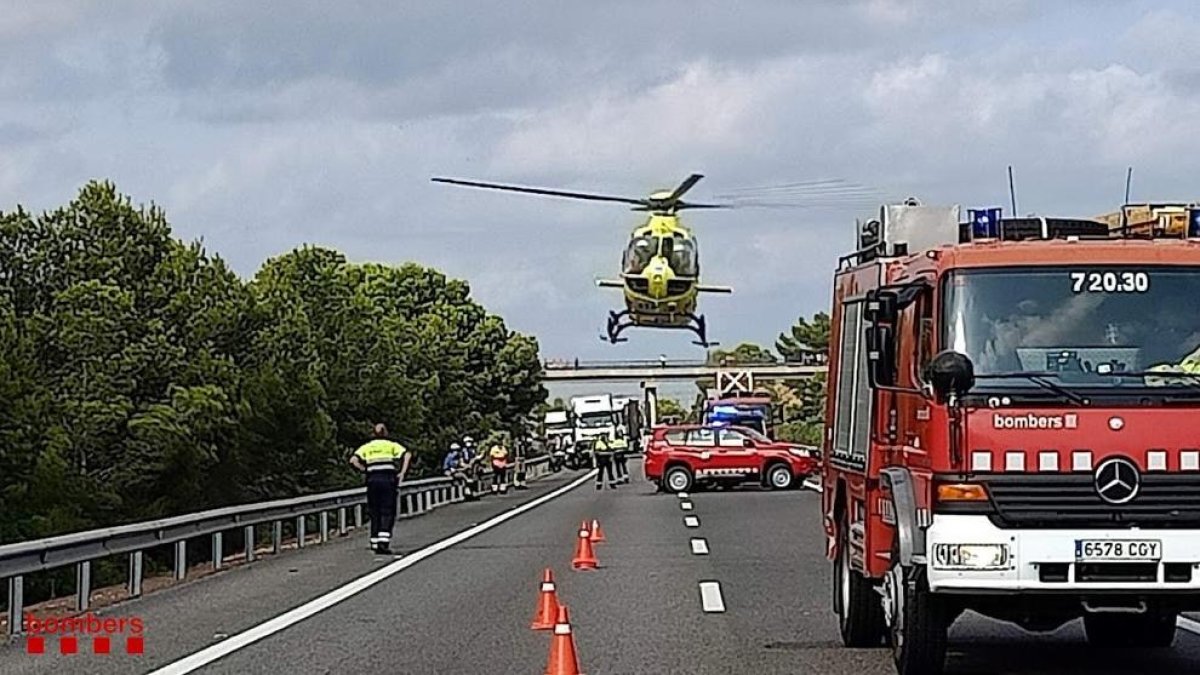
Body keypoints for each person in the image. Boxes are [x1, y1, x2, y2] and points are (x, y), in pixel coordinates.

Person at [349, 423, 410, 555]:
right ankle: (383, 541)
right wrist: (402, 472)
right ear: (385, 433)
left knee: (374, 510)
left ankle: (374, 540)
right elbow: (407, 454)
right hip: (387, 478)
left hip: (373, 479)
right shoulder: (390, 445)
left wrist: (364, 469)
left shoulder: (368, 446)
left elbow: (353, 460)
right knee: (387, 510)